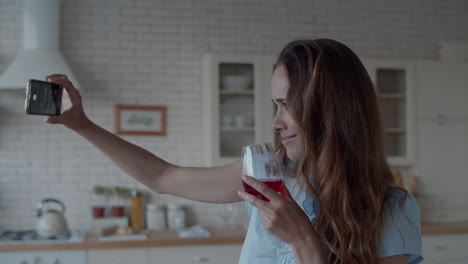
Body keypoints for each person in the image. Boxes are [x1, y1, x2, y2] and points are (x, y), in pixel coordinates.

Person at [44, 39, 422, 264]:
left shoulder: (391, 209)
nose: (276, 123)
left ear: (332, 110)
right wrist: (82, 124)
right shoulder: (265, 174)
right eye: (276, 105)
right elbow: (161, 177)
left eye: (287, 105)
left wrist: (304, 241)